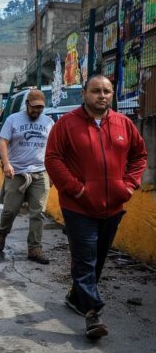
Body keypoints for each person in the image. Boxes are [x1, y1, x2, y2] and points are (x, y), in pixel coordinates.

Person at [45, 75, 147, 340]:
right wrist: (76, 189)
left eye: (106, 91)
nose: (102, 96)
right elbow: (53, 159)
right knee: (85, 257)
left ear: (112, 94)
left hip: (113, 205)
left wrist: (128, 186)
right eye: (96, 91)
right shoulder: (66, 125)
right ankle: (92, 313)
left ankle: (75, 295)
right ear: (84, 94)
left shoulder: (124, 123)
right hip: (78, 207)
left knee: (98, 258)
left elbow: (139, 156)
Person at [0, 89, 54, 264]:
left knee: (38, 213)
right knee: (10, 211)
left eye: (40, 108)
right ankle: (2, 231)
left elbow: (53, 148)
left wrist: (51, 171)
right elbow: (3, 143)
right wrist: (6, 164)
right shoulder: (13, 119)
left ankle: (35, 249)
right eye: (34, 107)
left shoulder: (49, 122)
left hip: (40, 172)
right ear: (27, 104)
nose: (37, 111)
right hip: (16, 173)